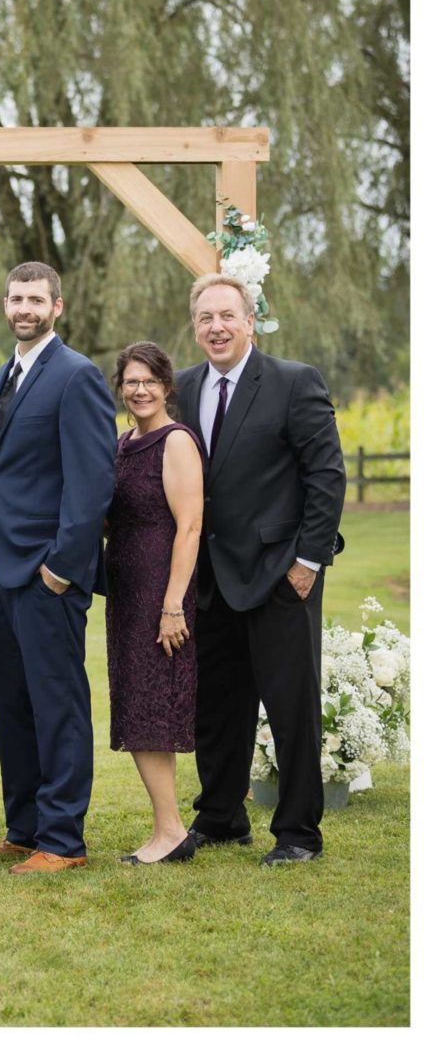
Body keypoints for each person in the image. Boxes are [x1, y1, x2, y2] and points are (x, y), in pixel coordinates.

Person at [177, 274, 346, 866]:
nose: (216, 327)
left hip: (281, 576)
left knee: (290, 706)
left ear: (250, 321)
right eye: (205, 318)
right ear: (194, 326)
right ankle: (221, 818)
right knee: (216, 707)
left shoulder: (294, 382)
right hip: (209, 579)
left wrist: (307, 562)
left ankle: (299, 832)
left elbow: (326, 475)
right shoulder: (182, 388)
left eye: (227, 315)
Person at [0, 261, 117, 874]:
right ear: (5, 305)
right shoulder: (3, 375)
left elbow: (91, 485)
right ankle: (25, 825)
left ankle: (64, 839)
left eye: (36, 299)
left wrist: (61, 567)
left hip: (46, 575)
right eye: (16, 299)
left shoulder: (77, 376)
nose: (24, 308)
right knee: (13, 704)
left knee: (57, 703)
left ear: (57, 306)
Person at [104, 343, 206, 865]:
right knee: (137, 708)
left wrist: (172, 605)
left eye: (149, 381)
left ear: (167, 386)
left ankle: (171, 831)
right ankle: (166, 827)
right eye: (130, 382)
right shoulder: (123, 444)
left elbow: (189, 526)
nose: (139, 390)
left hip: (159, 595)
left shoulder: (176, 442)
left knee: (152, 710)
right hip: (125, 594)